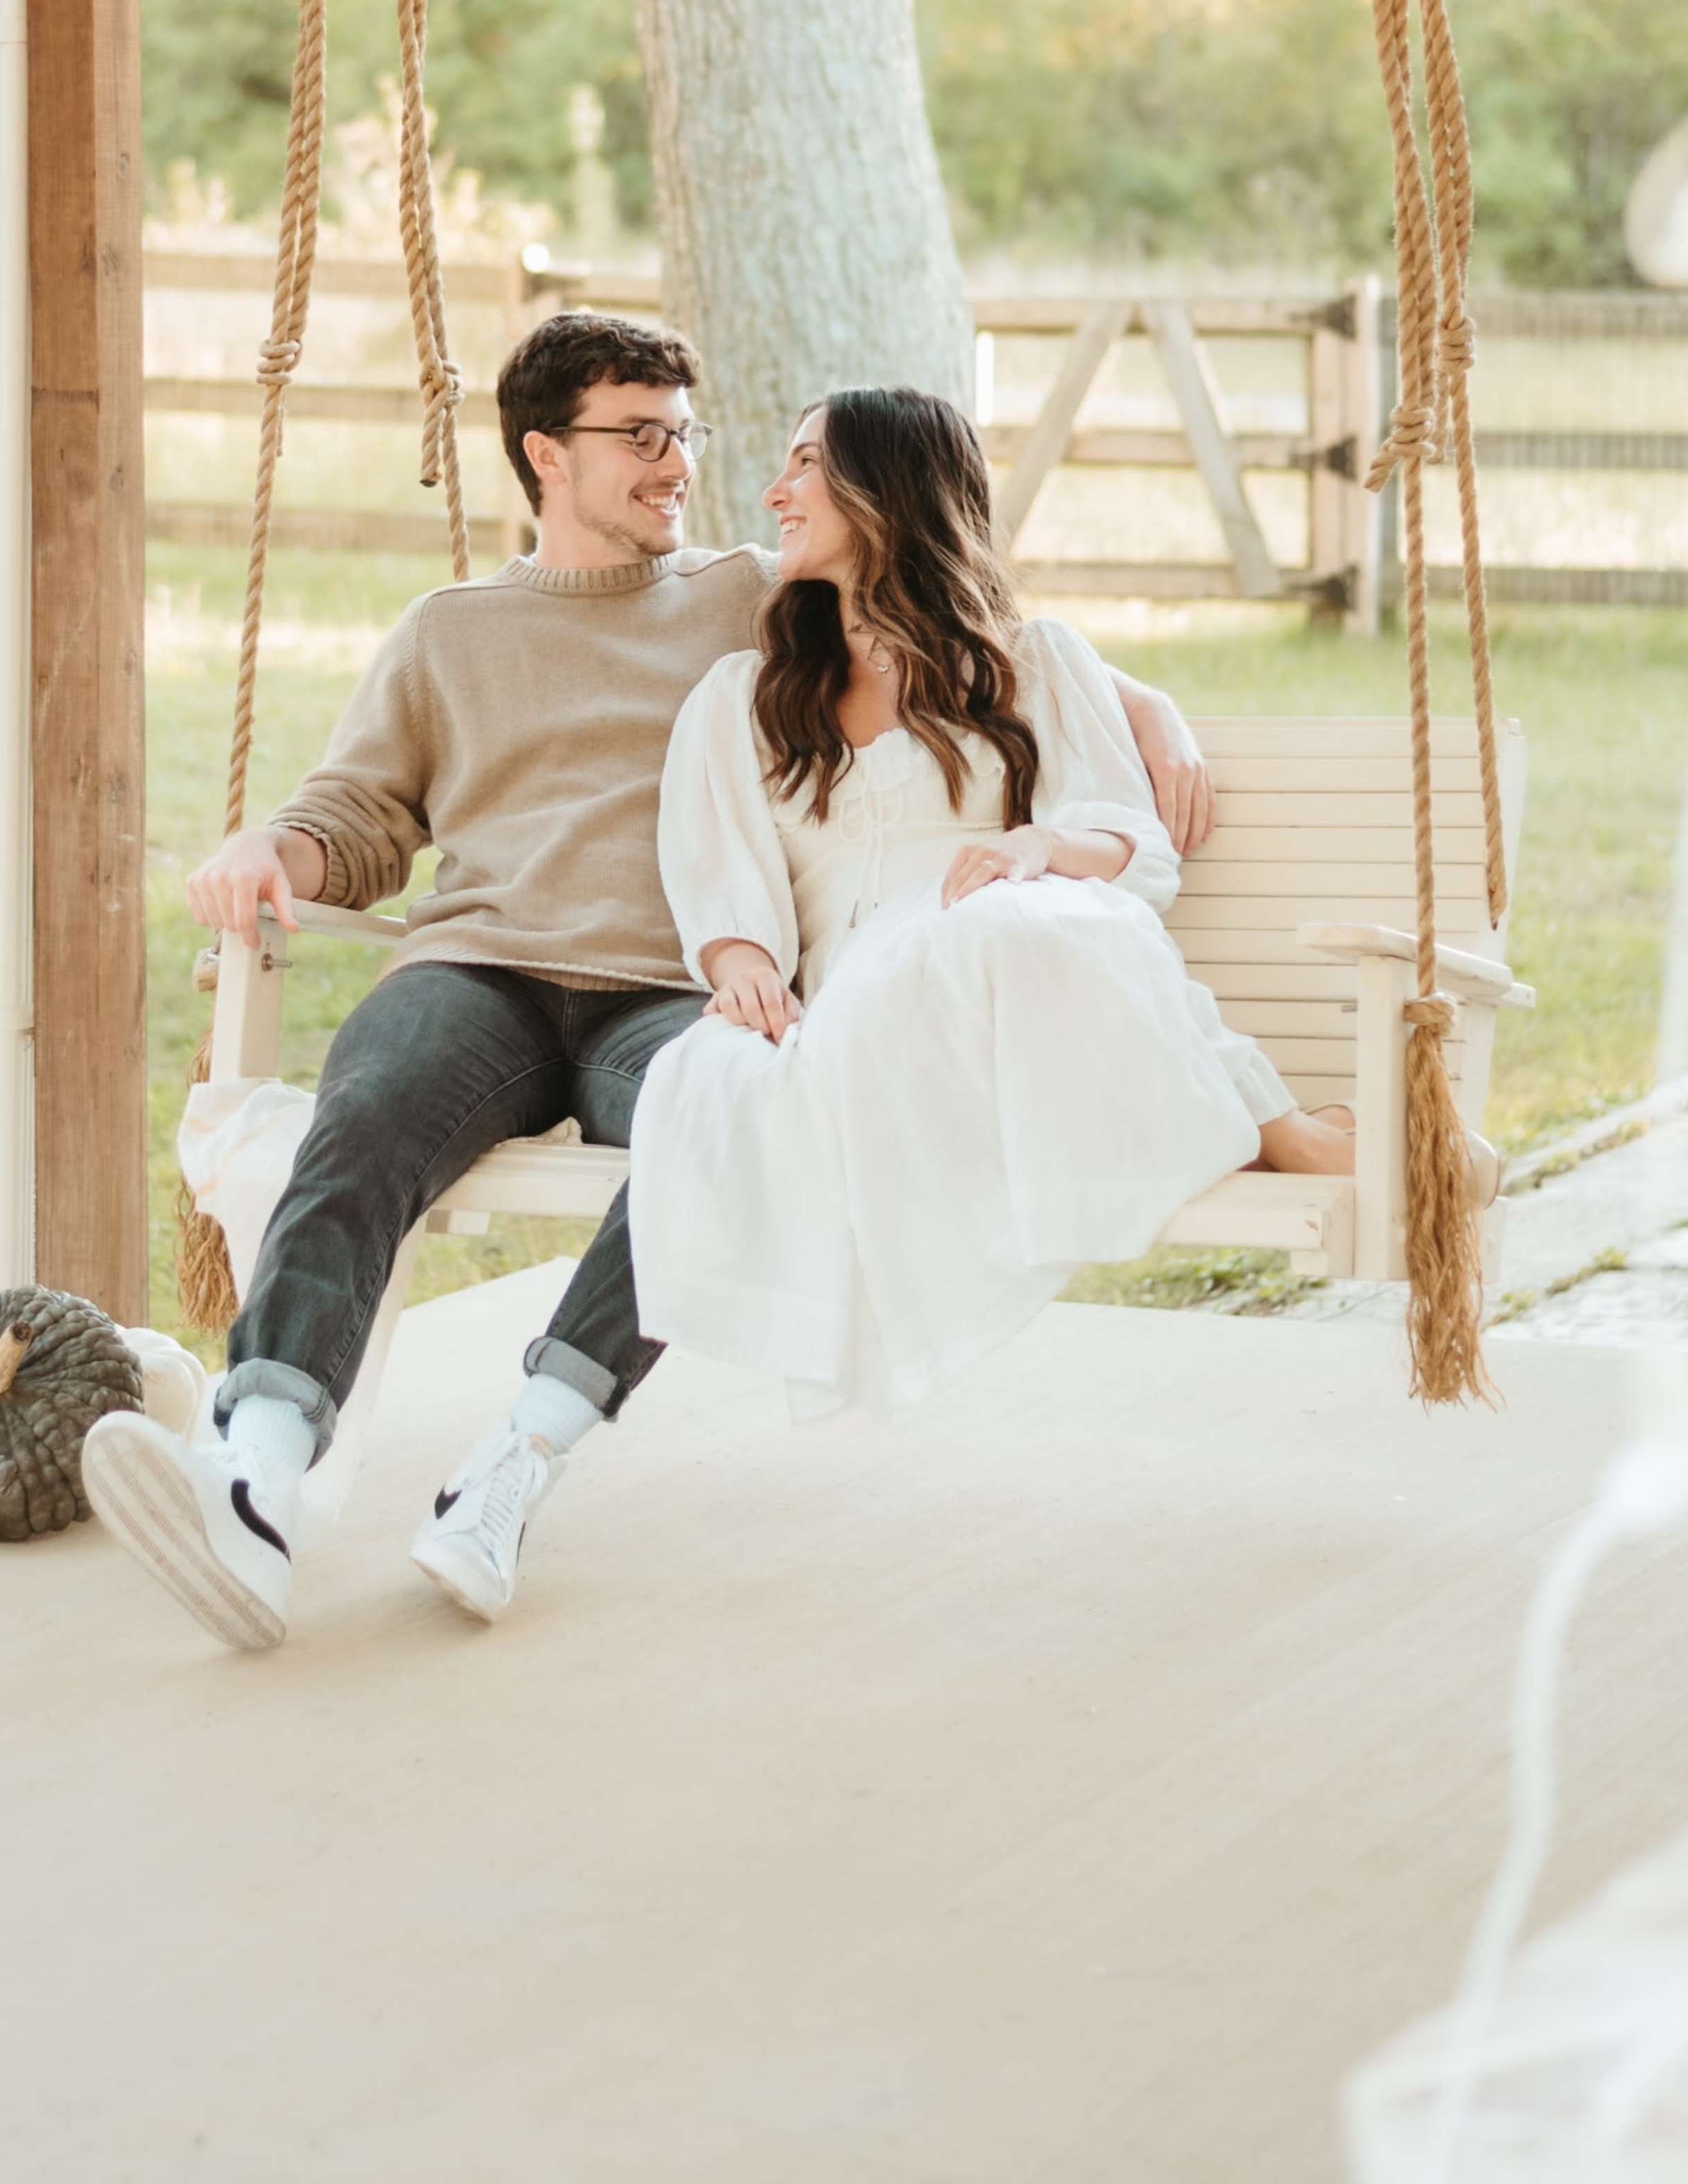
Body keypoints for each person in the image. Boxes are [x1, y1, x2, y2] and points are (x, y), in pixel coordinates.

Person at [80, 313, 1213, 1650]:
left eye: (685, 429)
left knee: (716, 1124)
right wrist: (280, 843)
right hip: (485, 965)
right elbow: (362, 815)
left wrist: (1151, 707)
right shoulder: (450, 633)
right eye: (642, 434)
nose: (678, 463)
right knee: (367, 1110)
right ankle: (257, 1480)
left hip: (676, 989)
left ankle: (514, 1467)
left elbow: (957, 626)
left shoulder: (748, 593)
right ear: (545, 453)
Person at [626, 387, 1356, 1417]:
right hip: (859, 1018)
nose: (773, 490)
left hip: (994, 1000)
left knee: (1025, 917)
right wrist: (741, 962)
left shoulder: (1031, 663)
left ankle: (1270, 1118)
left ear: (884, 493)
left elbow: (1138, 853)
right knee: (926, 955)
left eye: (805, 465)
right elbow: (723, 884)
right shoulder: (746, 701)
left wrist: (1038, 843)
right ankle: (1268, 1117)